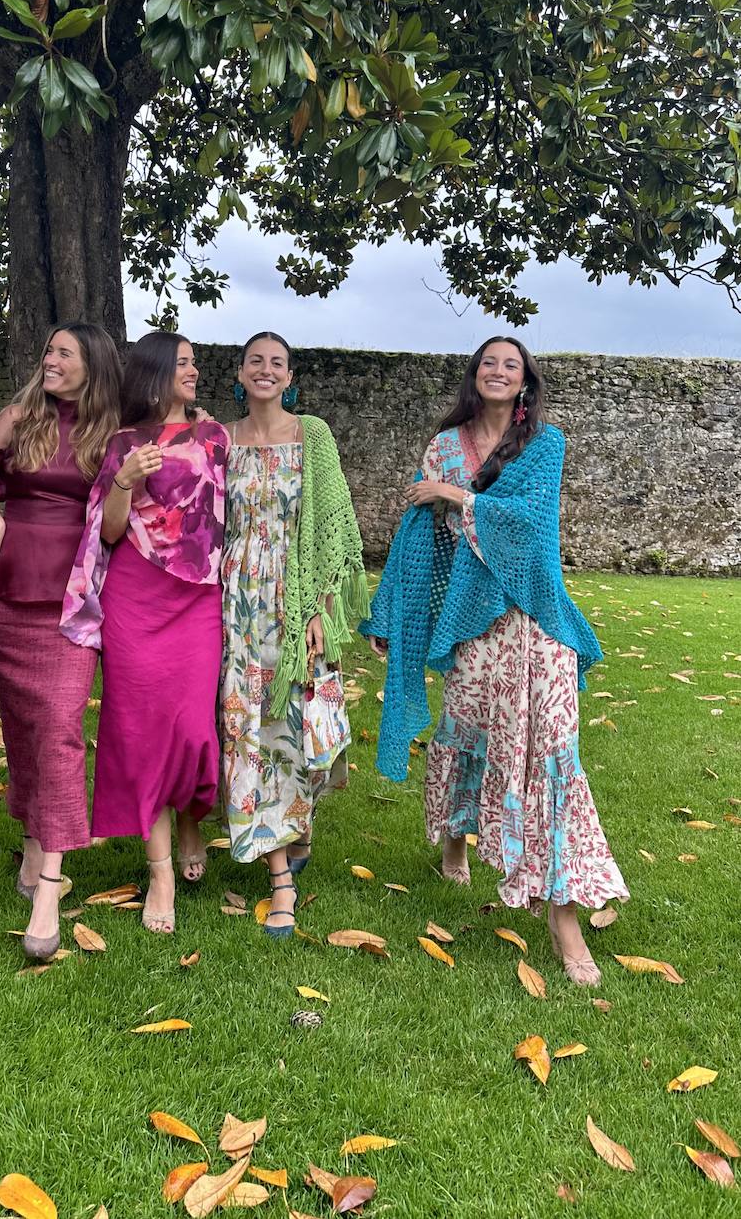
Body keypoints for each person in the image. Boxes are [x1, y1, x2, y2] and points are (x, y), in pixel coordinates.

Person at [362, 337, 627, 986]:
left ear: (524, 380)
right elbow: (420, 537)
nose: (498, 370)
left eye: (511, 363)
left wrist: (453, 497)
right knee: (466, 736)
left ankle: (563, 921)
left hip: (539, 622)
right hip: (473, 625)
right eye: (488, 362)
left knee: (548, 756)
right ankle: (456, 841)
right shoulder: (445, 445)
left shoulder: (544, 443)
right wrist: (396, 616)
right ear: (474, 375)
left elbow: (529, 527)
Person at [61, 332, 228, 935]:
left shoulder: (216, 437)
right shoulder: (123, 443)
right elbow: (106, 534)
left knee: (192, 729)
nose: (194, 368)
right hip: (137, 601)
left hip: (198, 601)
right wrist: (125, 479)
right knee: (140, 731)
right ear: (156, 372)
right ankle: (159, 870)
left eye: (194, 360)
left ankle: (190, 818)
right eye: (183, 361)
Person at [0, 324, 122, 961]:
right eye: (50, 350)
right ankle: (34, 839)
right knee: (25, 727)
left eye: (65, 352)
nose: (50, 358)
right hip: (8, 590)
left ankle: (51, 887)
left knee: (59, 728)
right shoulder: (16, 417)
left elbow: (116, 525)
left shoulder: (111, 433)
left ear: (93, 368)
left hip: (73, 597)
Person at [220, 333, 367, 939]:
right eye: (255, 360)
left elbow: (334, 531)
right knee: (250, 728)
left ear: (289, 376)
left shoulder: (314, 435)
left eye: (276, 363)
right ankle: (280, 877)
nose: (265, 370)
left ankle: (297, 822)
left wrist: (319, 611)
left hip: (296, 596)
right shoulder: (221, 440)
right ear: (240, 371)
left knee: (302, 725)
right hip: (234, 605)